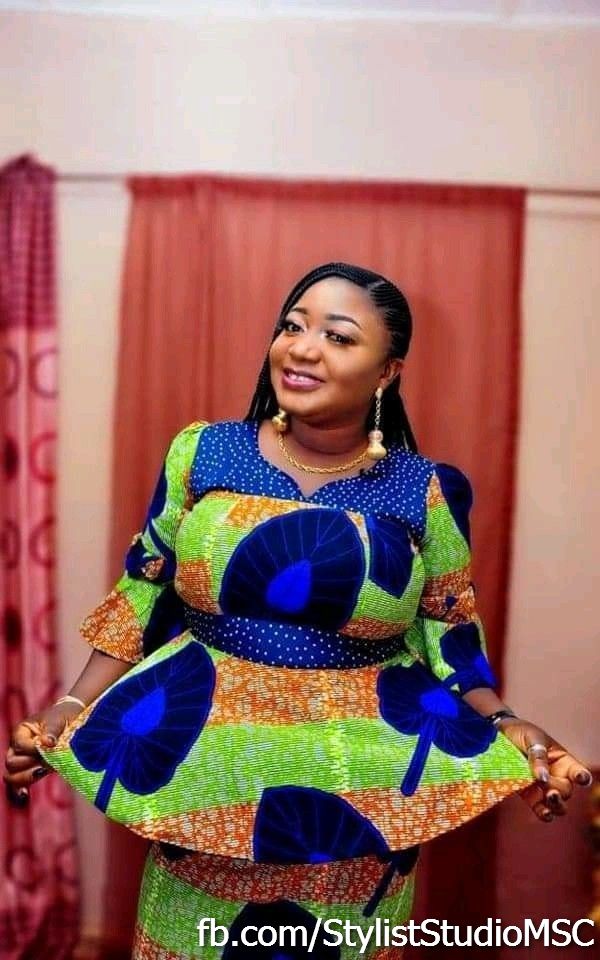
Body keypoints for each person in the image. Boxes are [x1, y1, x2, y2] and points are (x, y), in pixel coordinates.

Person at [5, 263, 592, 958]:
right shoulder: (204, 453)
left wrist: (504, 725)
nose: (303, 348)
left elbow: (449, 634)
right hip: (201, 777)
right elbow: (144, 588)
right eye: (293, 326)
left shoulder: (423, 491)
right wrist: (71, 707)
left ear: (387, 372)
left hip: (357, 799)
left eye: (338, 337)